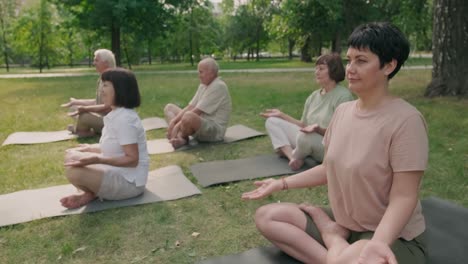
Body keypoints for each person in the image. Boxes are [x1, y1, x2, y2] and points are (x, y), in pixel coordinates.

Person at [242, 22, 428, 264]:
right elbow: (329, 168)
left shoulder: (406, 121)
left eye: (361, 61)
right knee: (268, 216)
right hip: (347, 224)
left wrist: (378, 243)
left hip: (392, 237)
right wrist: (280, 184)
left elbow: (405, 197)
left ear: (389, 65)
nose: (350, 68)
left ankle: (333, 240)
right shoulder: (342, 112)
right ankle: (337, 252)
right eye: (349, 60)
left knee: (354, 257)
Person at [60, 68, 149, 209]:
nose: (102, 90)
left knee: (74, 171)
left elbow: (132, 160)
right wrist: (90, 149)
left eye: (106, 85)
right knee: (71, 156)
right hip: (118, 172)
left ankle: (91, 193)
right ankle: (92, 192)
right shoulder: (116, 114)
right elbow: (115, 148)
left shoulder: (125, 119)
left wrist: (97, 159)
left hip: (130, 183)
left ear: (119, 89)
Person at [261, 53, 353, 170]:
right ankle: (293, 158)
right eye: (316, 69)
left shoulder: (343, 96)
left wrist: (317, 129)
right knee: (272, 121)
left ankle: (293, 153)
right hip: (306, 139)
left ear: (333, 70)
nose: (316, 72)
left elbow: (342, 134)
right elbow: (303, 125)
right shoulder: (313, 96)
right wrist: (281, 115)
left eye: (321, 69)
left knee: (304, 137)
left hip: (328, 146)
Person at [164, 58, 231, 149]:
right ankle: (181, 137)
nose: (199, 75)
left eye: (201, 72)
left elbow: (196, 112)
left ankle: (181, 137)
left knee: (189, 116)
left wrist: (175, 128)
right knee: (169, 108)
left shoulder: (218, 86)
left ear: (211, 73)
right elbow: (190, 106)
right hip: (200, 124)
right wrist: (173, 122)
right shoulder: (203, 85)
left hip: (214, 132)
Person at [61, 49, 116, 137]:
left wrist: (86, 109)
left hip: (111, 122)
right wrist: (76, 102)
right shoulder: (102, 78)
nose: (94, 63)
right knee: (74, 108)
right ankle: (87, 128)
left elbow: (108, 107)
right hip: (102, 116)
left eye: (96, 60)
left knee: (84, 116)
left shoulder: (112, 80)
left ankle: (84, 131)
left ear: (106, 63)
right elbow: (98, 102)